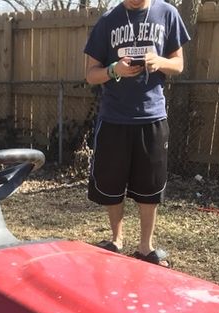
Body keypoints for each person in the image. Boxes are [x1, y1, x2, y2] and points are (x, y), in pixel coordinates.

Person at [84, 0, 190, 266]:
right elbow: (90, 74)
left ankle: (145, 247)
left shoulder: (168, 14)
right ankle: (116, 240)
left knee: (150, 186)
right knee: (111, 184)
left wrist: (160, 61)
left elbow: (179, 65)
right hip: (114, 118)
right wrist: (113, 70)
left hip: (152, 116)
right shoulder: (108, 20)